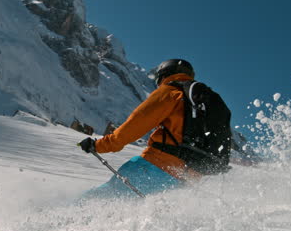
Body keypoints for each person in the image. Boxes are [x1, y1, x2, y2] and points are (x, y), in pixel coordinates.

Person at [78, 58, 200, 199]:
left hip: (154, 167)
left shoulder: (170, 92)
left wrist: (98, 145)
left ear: (164, 75)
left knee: (99, 199)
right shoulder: (199, 104)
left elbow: (135, 125)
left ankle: (61, 217)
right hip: (183, 181)